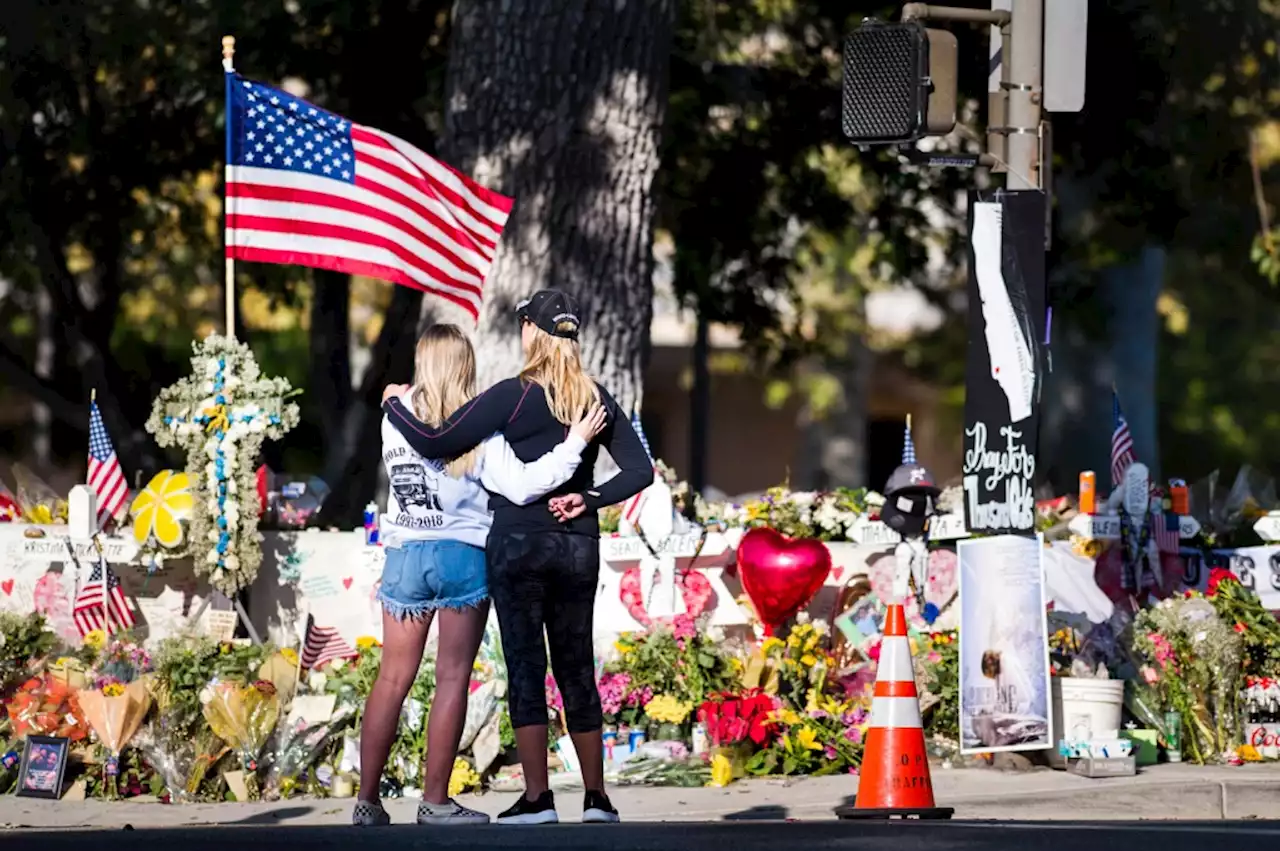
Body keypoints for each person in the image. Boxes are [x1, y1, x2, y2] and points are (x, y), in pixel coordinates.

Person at [381, 290, 651, 825]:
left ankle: (538, 799)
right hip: (576, 543)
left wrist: (392, 404)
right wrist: (589, 497)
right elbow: (640, 471)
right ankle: (596, 799)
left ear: (531, 330)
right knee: (576, 664)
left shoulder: (513, 396)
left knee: (528, 665)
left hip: (518, 545)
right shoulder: (595, 399)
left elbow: (436, 443)